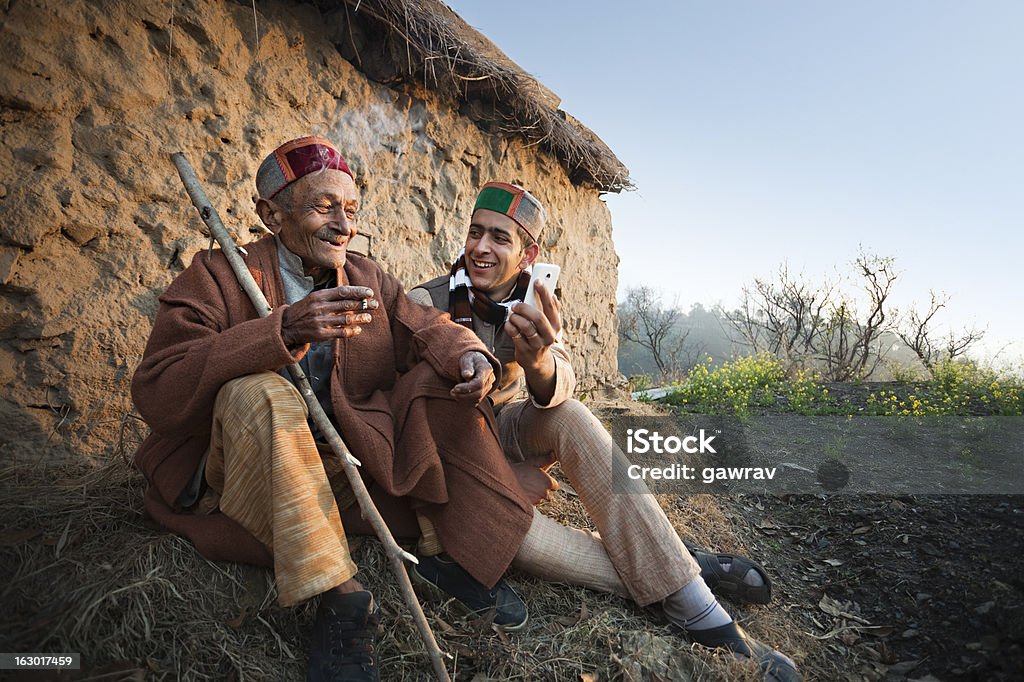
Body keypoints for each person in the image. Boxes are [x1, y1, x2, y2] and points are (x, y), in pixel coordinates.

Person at [130, 138, 538, 682]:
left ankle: (456, 551)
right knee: (260, 393)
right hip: (241, 471)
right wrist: (281, 331)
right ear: (271, 214)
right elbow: (157, 389)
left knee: (437, 383)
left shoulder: (368, 279)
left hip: (339, 467)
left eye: (350, 210)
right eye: (324, 207)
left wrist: (470, 357)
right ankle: (341, 594)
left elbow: (427, 327)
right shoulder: (216, 275)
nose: (343, 226)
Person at [407, 182, 801, 681]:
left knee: (569, 414)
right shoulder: (428, 300)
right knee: (521, 543)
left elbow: (561, 383)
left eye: (499, 239)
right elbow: (410, 412)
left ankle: (702, 615)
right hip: (457, 454)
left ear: (528, 253)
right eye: (475, 233)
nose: (481, 248)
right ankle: (686, 573)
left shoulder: (537, 302)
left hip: (505, 426)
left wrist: (539, 360)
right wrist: (503, 474)